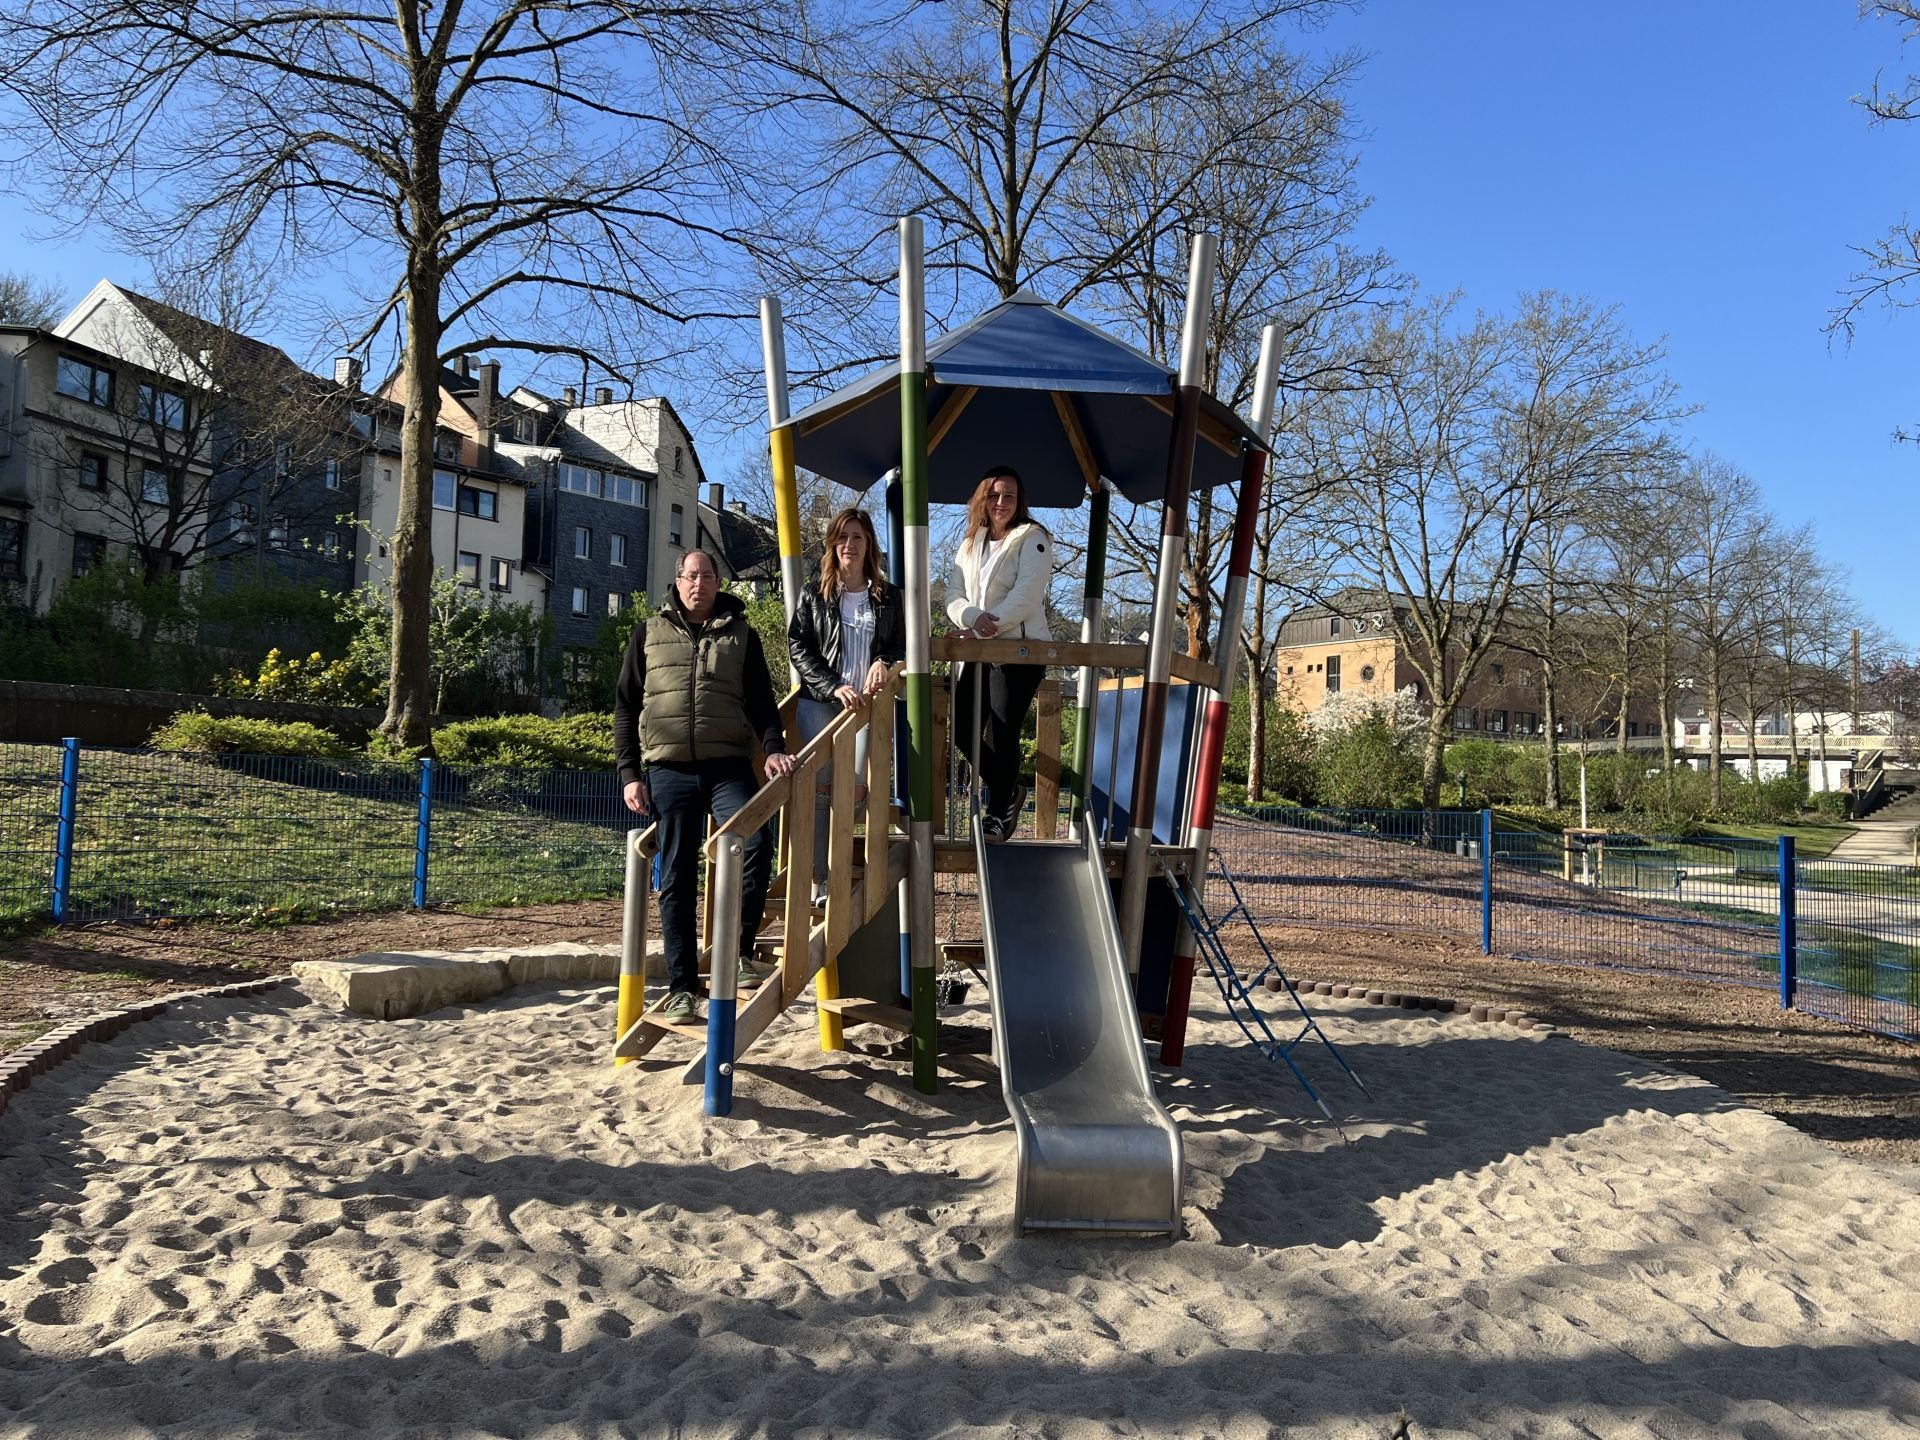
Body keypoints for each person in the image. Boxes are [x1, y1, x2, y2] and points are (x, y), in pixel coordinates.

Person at [615, 548, 796, 1022]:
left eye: (708, 576)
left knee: (756, 842)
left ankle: (736, 953)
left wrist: (774, 746)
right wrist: (630, 774)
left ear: (719, 583)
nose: (699, 583)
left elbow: (762, 701)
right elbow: (625, 708)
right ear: (677, 582)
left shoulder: (742, 636)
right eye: (691, 576)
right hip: (668, 770)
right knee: (677, 875)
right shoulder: (648, 635)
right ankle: (681, 987)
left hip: (728, 766)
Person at [787, 507, 906, 897]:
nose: (849, 545)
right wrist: (833, 685)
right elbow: (799, 647)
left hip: (867, 708)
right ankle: (819, 879)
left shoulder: (888, 597)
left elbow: (899, 646)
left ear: (869, 543)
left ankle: (840, 867)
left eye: (857, 537)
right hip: (822, 703)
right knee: (821, 791)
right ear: (833, 545)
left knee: (856, 789)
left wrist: (883, 663)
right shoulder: (814, 593)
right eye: (842, 538)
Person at [946, 464, 1052, 843]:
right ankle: (1009, 789)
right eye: (994, 495)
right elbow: (953, 594)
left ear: (1020, 501)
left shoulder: (1032, 537)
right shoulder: (971, 542)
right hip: (978, 647)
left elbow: (1027, 593)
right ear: (982, 499)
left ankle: (997, 814)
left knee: (1002, 733)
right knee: (962, 729)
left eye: (1009, 495)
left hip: (1017, 650)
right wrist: (972, 617)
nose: (1001, 502)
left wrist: (987, 625)